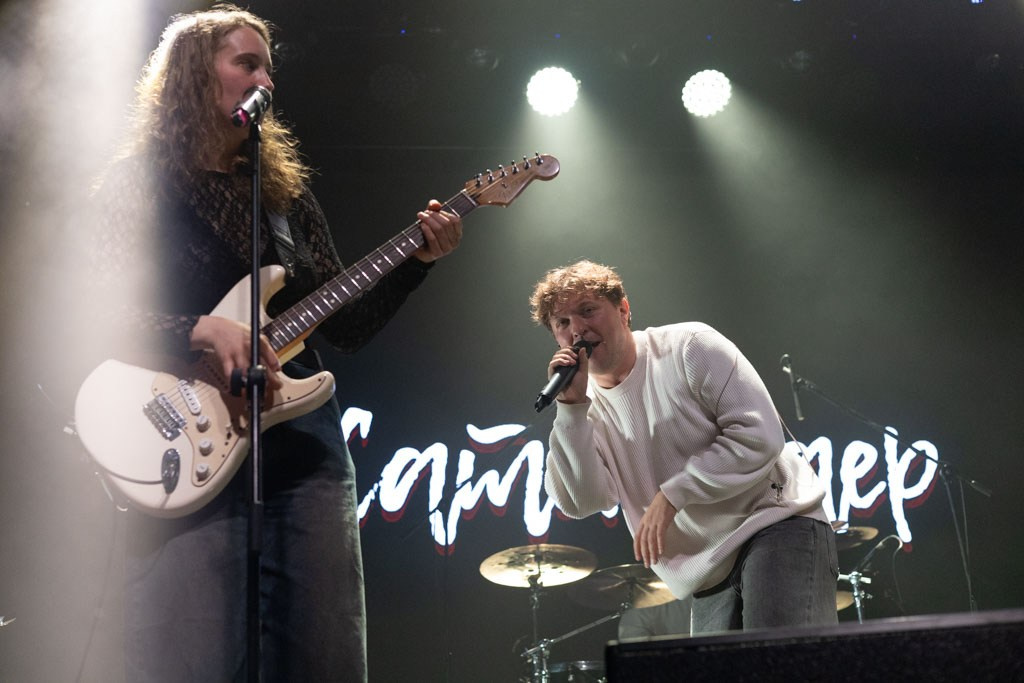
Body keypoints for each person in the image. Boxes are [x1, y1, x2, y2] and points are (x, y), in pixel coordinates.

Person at [86, 5, 462, 681]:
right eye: (247, 63)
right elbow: (96, 314)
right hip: (184, 438)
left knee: (325, 650)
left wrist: (416, 263)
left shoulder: (286, 198)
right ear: (194, 75)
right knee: (195, 654)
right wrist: (198, 327)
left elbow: (344, 327)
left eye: (268, 67)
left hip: (302, 443)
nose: (266, 79)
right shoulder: (137, 185)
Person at [530, 260, 837, 633]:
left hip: (774, 522)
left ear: (623, 309)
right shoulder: (584, 408)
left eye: (588, 310)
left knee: (777, 658)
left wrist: (674, 495)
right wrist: (571, 409)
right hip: (705, 568)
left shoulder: (689, 346)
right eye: (562, 322)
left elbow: (759, 435)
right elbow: (582, 502)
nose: (577, 329)